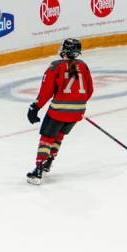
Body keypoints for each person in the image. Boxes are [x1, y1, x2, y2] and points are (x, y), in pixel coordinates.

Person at [25, 38, 94, 184]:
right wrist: (78, 104)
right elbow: (89, 90)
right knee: (59, 136)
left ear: (65, 50)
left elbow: (46, 91)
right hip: (78, 111)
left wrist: (35, 107)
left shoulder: (55, 66)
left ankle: (38, 170)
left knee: (47, 138)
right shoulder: (84, 66)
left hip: (58, 111)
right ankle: (49, 161)